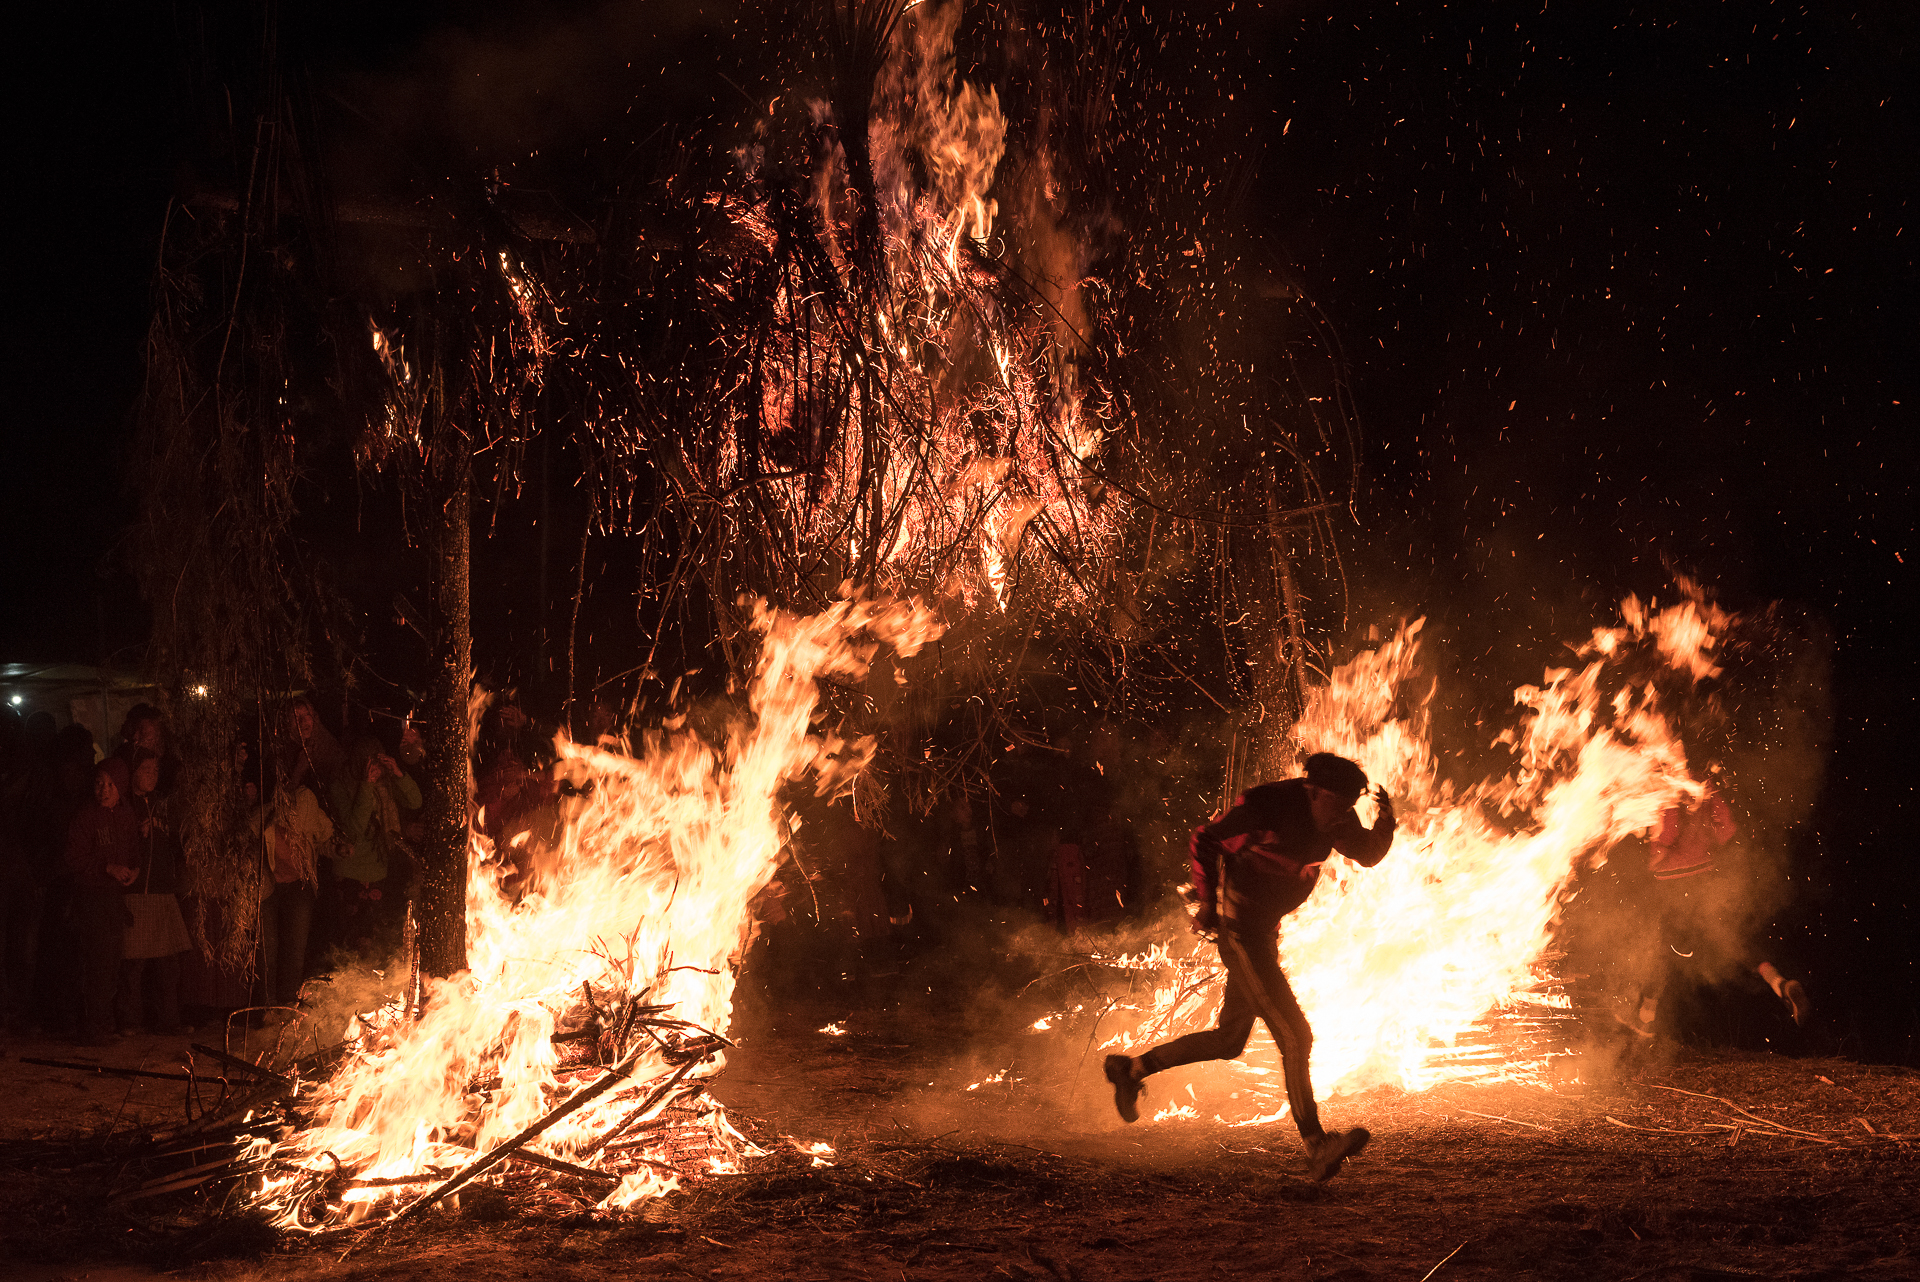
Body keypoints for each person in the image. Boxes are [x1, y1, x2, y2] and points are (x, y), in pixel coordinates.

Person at [1103, 752, 1396, 1183]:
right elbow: (1204, 837)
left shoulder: (1336, 817)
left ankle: (1130, 1070)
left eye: (1348, 807)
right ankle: (1316, 1144)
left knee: (1229, 1040)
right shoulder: (1268, 805)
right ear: (1313, 792)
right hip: (1240, 932)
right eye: (1336, 805)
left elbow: (1367, 854)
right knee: (1296, 1035)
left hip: (1264, 933)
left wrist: (1386, 820)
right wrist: (1207, 902)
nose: (1341, 818)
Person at [1618, 763, 1811, 1038]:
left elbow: (1667, 834)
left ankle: (1645, 1018)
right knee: (1733, 941)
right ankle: (1779, 983)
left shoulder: (1669, 784)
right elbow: (1726, 830)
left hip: (1674, 883)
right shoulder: (1705, 784)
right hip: (1705, 879)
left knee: (1662, 949)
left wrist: (1653, 857)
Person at [64, 759, 142, 1044]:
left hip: (113, 899)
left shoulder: (125, 815)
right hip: (91, 898)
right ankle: (92, 1028)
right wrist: (107, 868)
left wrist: (134, 870)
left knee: (111, 963)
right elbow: (74, 858)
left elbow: (133, 851)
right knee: (95, 963)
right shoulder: (85, 817)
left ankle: (104, 1024)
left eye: (110, 784)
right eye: (99, 783)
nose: (104, 790)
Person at [118, 751, 191, 1034]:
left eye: (155, 770)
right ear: (133, 772)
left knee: (168, 964)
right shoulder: (125, 804)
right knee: (133, 964)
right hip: (136, 892)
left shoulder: (163, 805)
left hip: (162, 891)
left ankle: (169, 1021)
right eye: (145, 769)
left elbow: (177, 843)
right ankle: (129, 1021)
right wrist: (138, 830)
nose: (151, 774)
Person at [329, 736, 421, 954]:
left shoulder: (386, 784)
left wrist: (398, 773)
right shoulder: (340, 786)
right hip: (351, 873)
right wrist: (366, 785)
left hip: (380, 871)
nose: (376, 769)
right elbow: (354, 828)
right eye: (370, 764)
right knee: (353, 947)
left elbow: (415, 802)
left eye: (378, 763)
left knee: (379, 943)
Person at [257, 767, 334, 1006]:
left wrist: (339, 849)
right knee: (267, 950)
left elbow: (324, 836)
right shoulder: (265, 814)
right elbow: (249, 830)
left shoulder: (306, 802)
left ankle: (287, 1004)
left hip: (298, 886)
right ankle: (266, 1006)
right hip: (268, 887)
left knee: (294, 950)